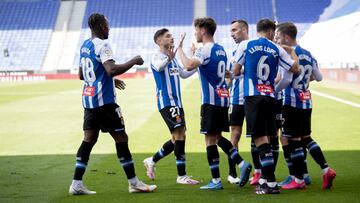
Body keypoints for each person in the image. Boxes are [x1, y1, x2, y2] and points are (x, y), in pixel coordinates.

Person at [69, 13, 156, 195]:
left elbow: (82, 75)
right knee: (121, 138)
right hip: (105, 103)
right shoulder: (103, 45)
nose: (109, 28)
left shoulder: (85, 45)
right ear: (101, 26)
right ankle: (133, 183)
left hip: (89, 100)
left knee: (89, 140)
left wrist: (108, 80)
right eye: (107, 25)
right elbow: (112, 69)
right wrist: (134, 61)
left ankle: (76, 183)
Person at [177, 17, 252, 190]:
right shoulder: (221, 50)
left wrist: (180, 49)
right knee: (217, 137)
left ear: (203, 30)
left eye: (196, 30)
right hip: (223, 98)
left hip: (210, 101)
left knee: (210, 140)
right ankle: (241, 164)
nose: (195, 33)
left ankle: (217, 181)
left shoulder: (205, 50)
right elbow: (226, 73)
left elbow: (188, 65)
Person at [232, 18, 299, 194]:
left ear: (258, 30)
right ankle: (266, 180)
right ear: (271, 31)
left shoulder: (246, 45)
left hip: (253, 97)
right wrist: (292, 52)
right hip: (270, 97)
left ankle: (270, 184)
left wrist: (247, 71)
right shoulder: (277, 48)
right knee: (268, 138)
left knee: (260, 139)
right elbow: (295, 69)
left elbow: (235, 71)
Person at [274, 22, 336, 190]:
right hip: (306, 101)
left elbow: (285, 79)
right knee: (305, 138)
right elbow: (319, 76)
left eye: (278, 37)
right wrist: (302, 82)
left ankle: (299, 179)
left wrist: (273, 91)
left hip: (291, 102)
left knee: (292, 140)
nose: (277, 40)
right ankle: (324, 169)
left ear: (286, 37)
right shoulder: (309, 54)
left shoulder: (288, 54)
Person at [142, 28, 199, 185]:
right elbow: (159, 67)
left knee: (178, 137)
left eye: (171, 36)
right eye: (167, 36)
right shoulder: (156, 57)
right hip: (166, 102)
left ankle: (152, 160)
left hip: (177, 102)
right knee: (179, 135)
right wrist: (168, 58)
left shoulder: (173, 59)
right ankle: (181, 176)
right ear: (159, 41)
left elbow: (183, 74)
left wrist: (197, 64)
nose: (171, 38)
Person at [226, 19, 251, 185]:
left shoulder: (253, 47)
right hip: (236, 99)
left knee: (259, 136)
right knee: (234, 135)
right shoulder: (233, 52)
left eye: (234, 30)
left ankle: (260, 173)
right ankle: (232, 173)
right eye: (231, 31)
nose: (232, 34)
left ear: (244, 30)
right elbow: (231, 78)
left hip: (253, 98)